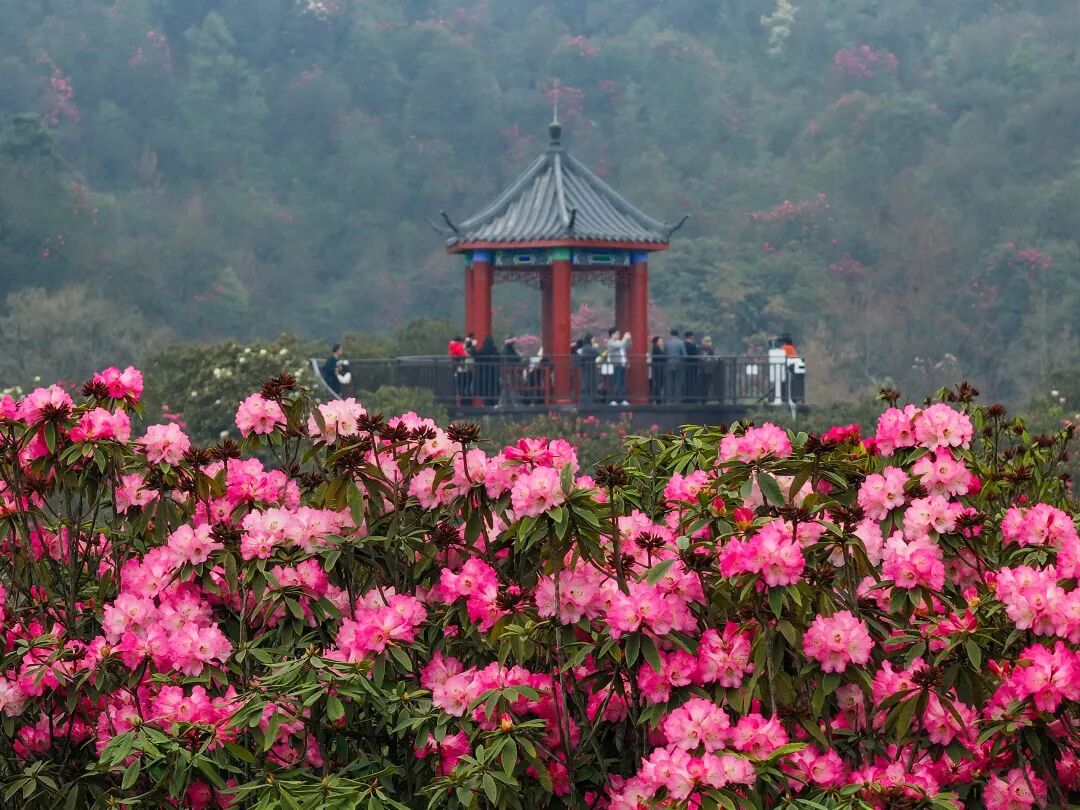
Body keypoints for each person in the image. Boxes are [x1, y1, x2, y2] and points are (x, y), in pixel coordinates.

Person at [607, 328, 630, 406]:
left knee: (623, 383)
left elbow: (628, 346)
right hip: (615, 365)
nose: (618, 335)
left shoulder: (620, 342)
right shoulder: (610, 342)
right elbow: (620, 345)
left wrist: (629, 339)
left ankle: (622, 399)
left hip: (622, 365)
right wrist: (624, 338)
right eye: (617, 333)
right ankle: (613, 399)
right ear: (612, 334)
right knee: (615, 383)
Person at [476, 335, 501, 407]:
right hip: (493, 374)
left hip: (484, 374)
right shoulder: (494, 350)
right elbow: (499, 359)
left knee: (486, 389)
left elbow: (476, 356)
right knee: (493, 389)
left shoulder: (482, 351)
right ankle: (493, 403)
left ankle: (486, 403)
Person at [664, 329, 686, 403]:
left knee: (669, 383)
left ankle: (669, 400)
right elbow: (685, 355)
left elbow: (665, 354)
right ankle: (677, 399)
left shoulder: (667, 343)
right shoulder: (681, 343)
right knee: (678, 383)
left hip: (669, 364)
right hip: (679, 365)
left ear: (671, 334)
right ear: (677, 335)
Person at [577, 333, 599, 404]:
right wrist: (595, 347)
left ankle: (591, 399)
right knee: (588, 384)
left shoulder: (587, 347)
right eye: (593, 339)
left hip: (590, 369)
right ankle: (588, 401)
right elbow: (596, 353)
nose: (594, 340)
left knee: (591, 384)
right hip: (588, 369)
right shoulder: (587, 347)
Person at [449, 336, 469, 402]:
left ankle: (455, 400)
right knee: (462, 385)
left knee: (455, 385)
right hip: (460, 368)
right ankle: (463, 400)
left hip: (453, 366)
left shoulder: (452, 346)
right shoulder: (459, 346)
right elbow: (463, 355)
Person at [684, 330, 700, 403]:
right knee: (693, 382)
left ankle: (685, 398)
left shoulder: (683, 345)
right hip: (693, 367)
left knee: (686, 382)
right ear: (691, 336)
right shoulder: (693, 346)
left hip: (684, 366)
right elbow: (696, 356)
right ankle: (692, 398)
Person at [699, 336, 715, 402]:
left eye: (708, 342)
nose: (707, 343)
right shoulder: (700, 349)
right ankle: (701, 398)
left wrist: (709, 359)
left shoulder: (710, 350)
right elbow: (698, 357)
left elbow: (713, 358)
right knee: (701, 384)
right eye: (706, 341)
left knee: (707, 385)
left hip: (708, 370)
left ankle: (705, 399)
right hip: (701, 369)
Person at [650, 335, 666, 403]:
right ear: (656, 342)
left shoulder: (657, 348)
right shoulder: (656, 349)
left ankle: (658, 398)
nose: (662, 342)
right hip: (658, 369)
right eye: (660, 341)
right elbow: (662, 357)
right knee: (659, 384)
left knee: (659, 384)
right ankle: (658, 399)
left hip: (658, 368)